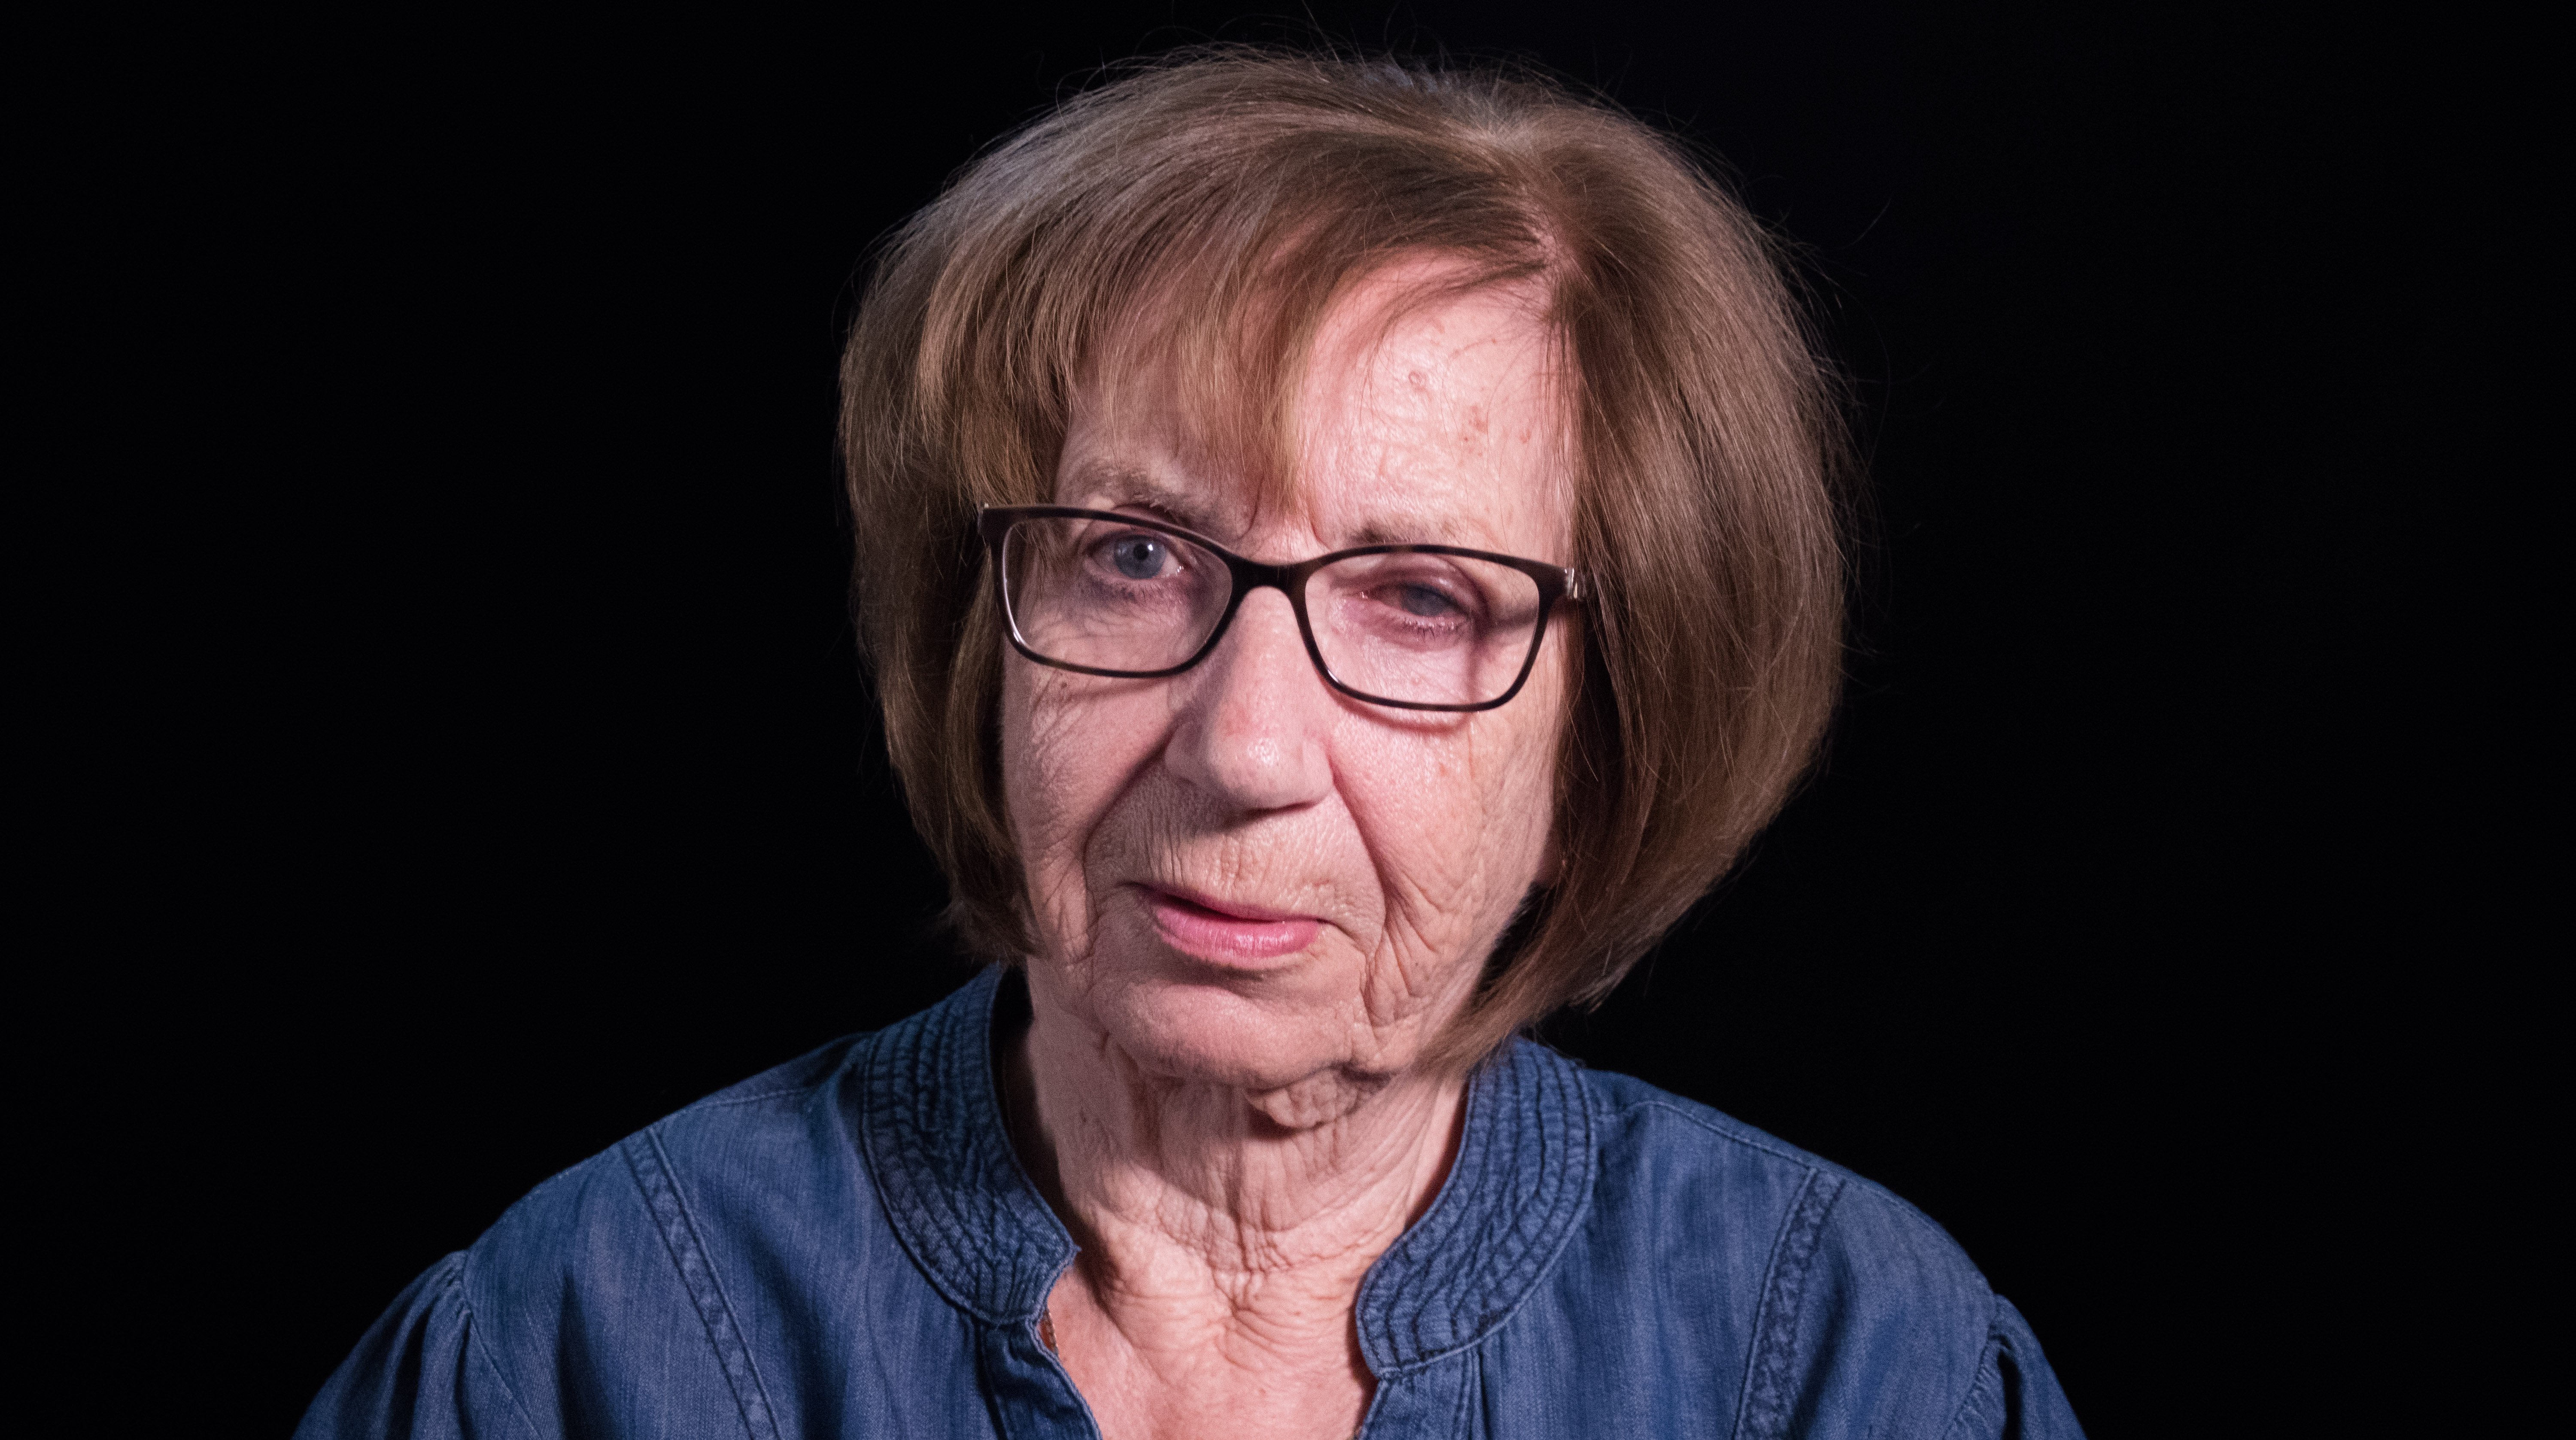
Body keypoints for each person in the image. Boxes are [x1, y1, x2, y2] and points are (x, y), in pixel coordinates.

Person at [300, 49, 2083, 1439]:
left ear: (1604, 740)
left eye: (1419, 598)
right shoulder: (582, 1346)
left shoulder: (1847, 1362)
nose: (1244, 746)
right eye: (1135, 558)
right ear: (979, 635)